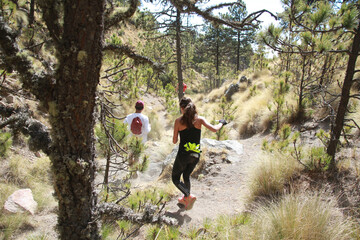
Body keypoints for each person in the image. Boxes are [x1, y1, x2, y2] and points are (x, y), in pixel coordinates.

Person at [172, 97, 227, 210]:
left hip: (183, 154)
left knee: (175, 178)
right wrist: (221, 123)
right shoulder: (200, 120)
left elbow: (174, 141)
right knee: (186, 175)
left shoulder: (178, 121)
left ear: (182, 109)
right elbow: (214, 129)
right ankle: (186, 201)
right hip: (196, 154)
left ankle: (188, 195)